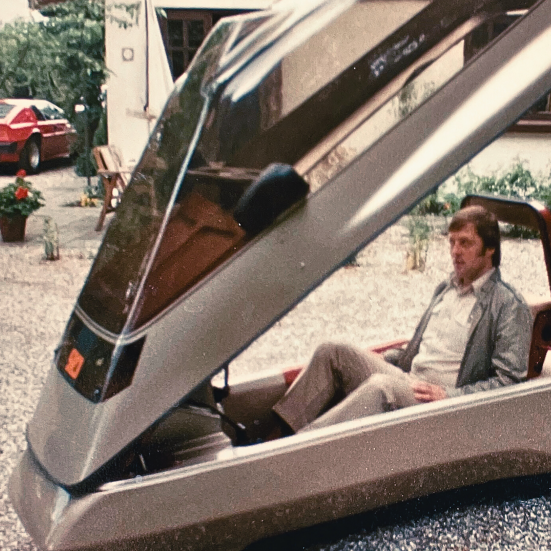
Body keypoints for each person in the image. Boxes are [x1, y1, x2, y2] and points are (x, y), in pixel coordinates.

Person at [272, 205, 533, 434]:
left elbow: (509, 382)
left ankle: (294, 450)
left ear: (490, 249)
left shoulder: (508, 304)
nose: (455, 251)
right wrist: (382, 358)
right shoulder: (447, 288)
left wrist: (449, 395)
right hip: (410, 378)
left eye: (465, 243)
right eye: (452, 242)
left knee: (381, 388)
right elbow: (423, 349)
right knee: (333, 350)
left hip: (444, 404)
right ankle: (277, 435)